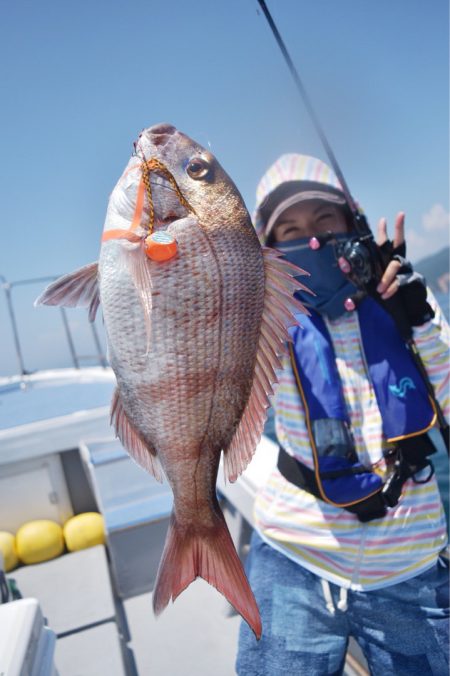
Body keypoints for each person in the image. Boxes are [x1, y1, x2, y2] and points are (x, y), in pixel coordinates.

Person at [236, 154, 449, 676]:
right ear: (268, 252)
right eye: (288, 229)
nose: (309, 238)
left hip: (410, 561)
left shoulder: (406, 301)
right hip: (293, 551)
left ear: (351, 220)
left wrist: (417, 319)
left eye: (323, 220)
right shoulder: (262, 320)